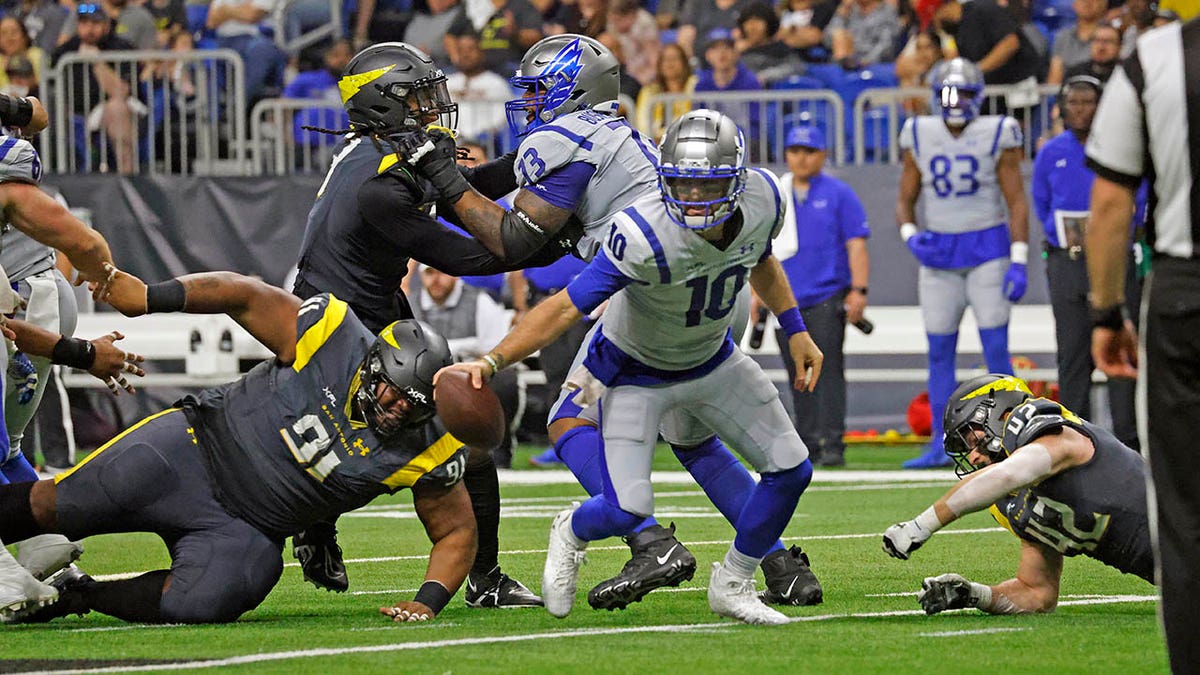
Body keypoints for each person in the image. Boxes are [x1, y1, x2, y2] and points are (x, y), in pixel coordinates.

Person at [409, 34, 823, 610]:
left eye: (537, 90)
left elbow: (511, 241)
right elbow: (757, 251)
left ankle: (648, 540)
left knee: (568, 418)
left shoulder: (566, 142)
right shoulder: (610, 134)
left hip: (649, 297)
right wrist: (794, 325)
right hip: (705, 301)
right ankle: (777, 563)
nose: (529, 103)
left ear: (569, 91)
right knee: (693, 435)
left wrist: (444, 184)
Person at [0, 269, 479, 625]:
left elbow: (456, 530)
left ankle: (75, 595)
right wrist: (150, 296)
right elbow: (241, 293)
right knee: (59, 505)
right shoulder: (332, 334)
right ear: (374, 362)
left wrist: (428, 600)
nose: (394, 407)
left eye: (410, 406)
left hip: (249, 529)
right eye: (389, 390)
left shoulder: (429, 444)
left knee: (206, 601)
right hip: (193, 450)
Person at [289, 42, 545, 609]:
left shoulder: (382, 152)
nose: (434, 106)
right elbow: (470, 256)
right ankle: (481, 575)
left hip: (364, 313)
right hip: (343, 327)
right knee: (461, 438)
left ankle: (316, 523)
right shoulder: (378, 183)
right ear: (385, 104)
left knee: (449, 434)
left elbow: (466, 188)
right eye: (420, 96)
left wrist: (544, 156)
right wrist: (547, 242)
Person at [1084, 19, 1200, 673]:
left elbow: (1108, 202)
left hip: (1185, 290)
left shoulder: (1153, 59)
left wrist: (1106, 310)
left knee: (1184, 513)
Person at [881, 374, 1153, 614]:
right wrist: (975, 594)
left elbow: (1008, 474)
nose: (973, 456)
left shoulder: (1046, 430)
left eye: (973, 441)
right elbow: (1037, 593)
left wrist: (921, 526)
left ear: (1000, 412)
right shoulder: (1015, 499)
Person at [895, 57, 1030, 469]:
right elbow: (905, 198)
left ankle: (1014, 439)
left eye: (965, 93)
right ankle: (941, 443)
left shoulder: (998, 132)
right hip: (940, 255)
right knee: (938, 350)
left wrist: (1019, 256)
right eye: (948, 93)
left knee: (996, 351)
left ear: (979, 97)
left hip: (987, 248)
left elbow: (1016, 200)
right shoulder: (920, 131)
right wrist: (910, 236)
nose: (955, 102)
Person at [0, 308, 145, 619]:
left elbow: (86, 254)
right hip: (36, 307)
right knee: (10, 448)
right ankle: (41, 538)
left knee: (7, 446)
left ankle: (5, 575)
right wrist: (82, 352)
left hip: (22, 310)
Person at [1031, 75, 1140, 450]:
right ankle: (1076, 445)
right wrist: (1062, 233)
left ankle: (1129, 443)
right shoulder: (1050, 152)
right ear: (1061, 108)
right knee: (1073, 355)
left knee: (1121, 352)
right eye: (1073, 102)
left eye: (1088, 102)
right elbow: (1042, 202)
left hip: (1114, 262)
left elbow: (1135, 199)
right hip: (1067, 262)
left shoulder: (1118, 147)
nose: (1080, 109)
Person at [767, 125, 869, 468]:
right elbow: (762, 253)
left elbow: (856, 243)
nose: (800, 157)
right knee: (796, 375)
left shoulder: (839, 194)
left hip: (826, 296)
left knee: (828, 372)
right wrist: (757, 297)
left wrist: (858, 290)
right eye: (795, 150)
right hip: (786, 301)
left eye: (808, 151)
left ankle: (833, 441)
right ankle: (807, 441)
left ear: (822, 155)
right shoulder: (777, 194)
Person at [410, 264, 522, 471]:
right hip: (425, 380)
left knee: (505, 378)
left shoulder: (480, 301)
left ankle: (498, 450)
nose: (436, 279)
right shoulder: (410, 304)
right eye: (429, 273)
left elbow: (498, 351)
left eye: (442, 272)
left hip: (473, 380)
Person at [50, 4, 138, 175]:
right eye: (84, 23)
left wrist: (97, 62)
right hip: (76, 113)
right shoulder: (67, 50)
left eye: (95, 23)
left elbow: (120, 92)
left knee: (116, 108)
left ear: (106, 25)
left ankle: (128, 180)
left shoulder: (120, 47)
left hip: (117, 109)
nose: (89, 29)